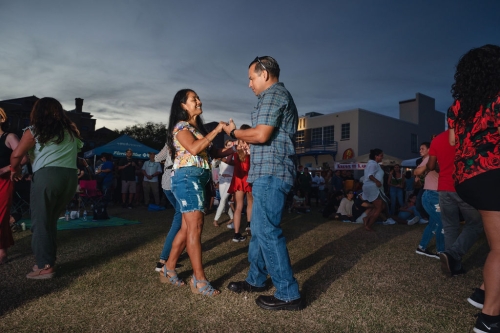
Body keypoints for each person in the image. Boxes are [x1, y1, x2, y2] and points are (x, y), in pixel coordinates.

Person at [223, 56, 304, 310]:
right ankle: (256, 279)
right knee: (258, 230)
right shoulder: (272, 97)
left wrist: (234, 133)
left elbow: (261, 134)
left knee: (267, 230)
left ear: (265, 74)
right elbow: (265, 138)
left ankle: (288, 293)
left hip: (272, 172)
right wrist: (246, 142)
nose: (249, 84)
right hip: (265, 171)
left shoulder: (273, 95)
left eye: (251, 77)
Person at [446, 44, 500, 332]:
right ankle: (490, 319)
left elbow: (454, 142)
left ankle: (482, 293)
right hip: (492, 171)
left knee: (497, 244)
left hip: (466, 176)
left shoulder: (458, 106)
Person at [160, 89, 233, 296]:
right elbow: (193, 149)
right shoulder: (181, 127)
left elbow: (214, 152)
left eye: (198, 98)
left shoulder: (197, 129)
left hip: (197, 179)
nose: (199, 101)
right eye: (194, 99)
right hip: (186, 179)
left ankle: (169, 268)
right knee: (196, 226)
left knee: (186, 228)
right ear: (183, 105)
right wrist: (218, 130)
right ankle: (199, 280)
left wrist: (234, 147)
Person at [10, 97, 83, 279]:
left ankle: (45, 266)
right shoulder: (71, 132)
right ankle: (48, 260)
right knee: (50, 221)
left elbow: (16, 155)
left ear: (38, 112)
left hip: (47, 176)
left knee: (41, 222)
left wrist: (15, 170)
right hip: (69, 178)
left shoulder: (34, 130)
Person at [426, 130, 483, 277]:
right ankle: (453, 254)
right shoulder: (469, 135)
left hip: (444, 187)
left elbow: (431, 166)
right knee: (475, 223)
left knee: (450, 226)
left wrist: (444, 167)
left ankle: (452, 266)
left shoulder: (437, 139)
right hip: (463, 186)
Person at [0, 108, 24, 264]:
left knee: (1, 217)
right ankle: (2, 249)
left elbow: (23, 158)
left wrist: (6, 168)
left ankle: (1, 252)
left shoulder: (9, 137)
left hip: (4, 181)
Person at [153, 144, 182, 273]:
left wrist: (166, 159)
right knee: (180, 219)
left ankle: (169, 257)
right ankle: (164, 260)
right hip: (178, 179)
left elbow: (157, 158)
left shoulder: (169, 142)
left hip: (166, 181)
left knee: (181, 218)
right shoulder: (185, 138)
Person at [414, 142, 443, 259]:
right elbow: (416, 173)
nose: (420, 150)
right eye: (420, 148)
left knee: (433, 222)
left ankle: (422, 247)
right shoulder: (428, 159)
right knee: (443, 221)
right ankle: (441, 251)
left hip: (431, 194)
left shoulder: (428, 160)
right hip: (432, 194)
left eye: (422, 148)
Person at [227, 128, 253, 242]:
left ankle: (236, 234)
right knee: (250, 203)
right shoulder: (250, 152)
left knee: (238, 207)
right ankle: (249, 224)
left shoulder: (236, 153)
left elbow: (228, 161)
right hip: (249, 179)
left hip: (238, 180)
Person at [362, 149, 389, 231]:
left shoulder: (374, 164)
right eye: (381, 155)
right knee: (379, 207)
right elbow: (370, 175)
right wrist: (377, 181)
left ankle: (367, 219)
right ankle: (368, 225)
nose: (382, 157)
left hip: (374, 187)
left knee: (382, 206)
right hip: (373, 187)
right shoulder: (373, 164)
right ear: (376, 156)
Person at [213, 140, 235, 228]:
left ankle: (215, 220)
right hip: (222, 179)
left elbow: (232, 163)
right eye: (228, 145)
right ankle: (232, 217)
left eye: (231, 145)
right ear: (225, 146)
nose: (230, 146)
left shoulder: (234, 155)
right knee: (224, 200)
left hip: (230, 179)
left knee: (223, 199)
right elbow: (215, 165)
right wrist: (216, 160)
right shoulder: (222, 155)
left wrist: (222, 159)